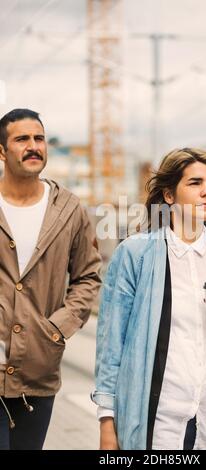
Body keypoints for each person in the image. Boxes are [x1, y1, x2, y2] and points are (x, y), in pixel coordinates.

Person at [92, 147, 206, 450]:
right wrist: (107, 424)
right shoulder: (135, 254)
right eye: (195, 183)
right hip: (158, 414)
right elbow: (110, 346)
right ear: (169, 196)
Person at [0, 108, 101, 450]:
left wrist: (56, 329)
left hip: (38, 371)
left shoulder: (70, 210)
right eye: (22, 139)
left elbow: (88, 276)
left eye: (39, 138)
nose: (33, 146)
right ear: (1, 151)